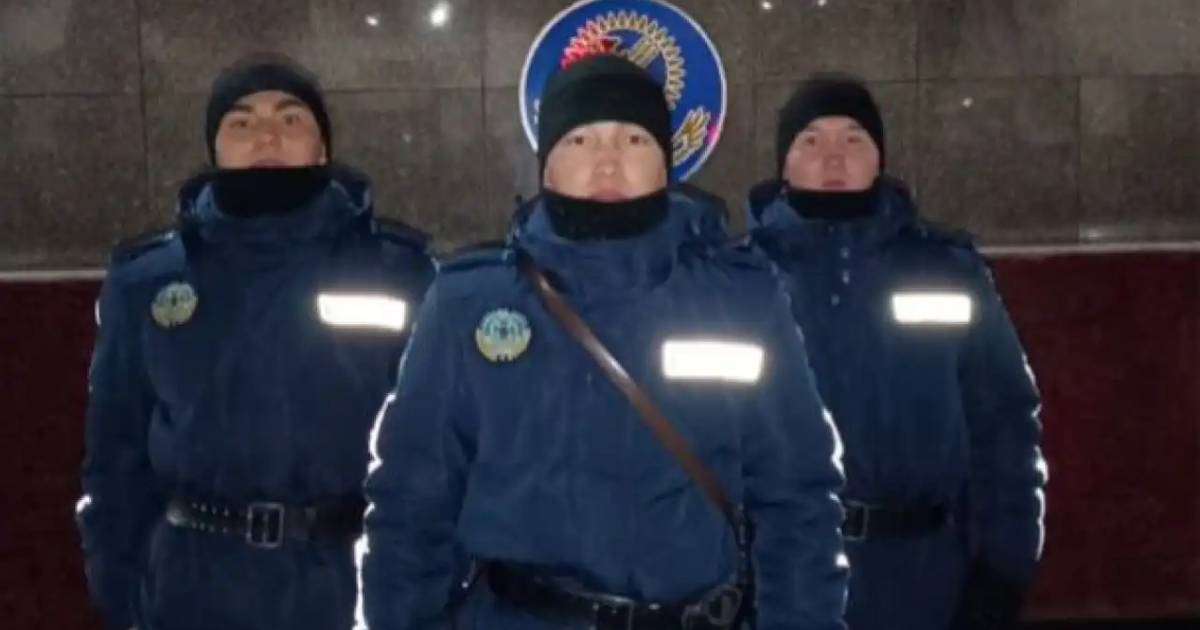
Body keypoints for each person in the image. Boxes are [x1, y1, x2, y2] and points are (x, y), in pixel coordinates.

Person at [355, 54, 848, 630]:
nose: (608, 162)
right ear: (547, 166)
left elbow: (798, 498)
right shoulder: (471, 303)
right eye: (581, 140)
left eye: (634, 139)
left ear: (666, 163)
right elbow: (411, 504)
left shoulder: (739, 301)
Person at [76, 55, 434, 630]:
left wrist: (416, 595)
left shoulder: (399, 272)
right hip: (193, 588)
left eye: (290, 119)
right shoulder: (149, 281)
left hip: (347, 586)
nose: (267, 135)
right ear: (214, 149)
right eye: (241, 122)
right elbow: (115, 454)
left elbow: (433, 451)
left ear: (322, 147)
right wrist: (123, 591)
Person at [746, 74, 1047, 630]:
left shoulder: (947, 271)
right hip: (780, 577)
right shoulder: (738, 277)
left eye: (853, 138)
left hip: (923, 578)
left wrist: (1005, 565)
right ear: (783, 163)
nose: (833, 156)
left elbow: (1005, 421)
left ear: (879, 158)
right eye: (811, 140)